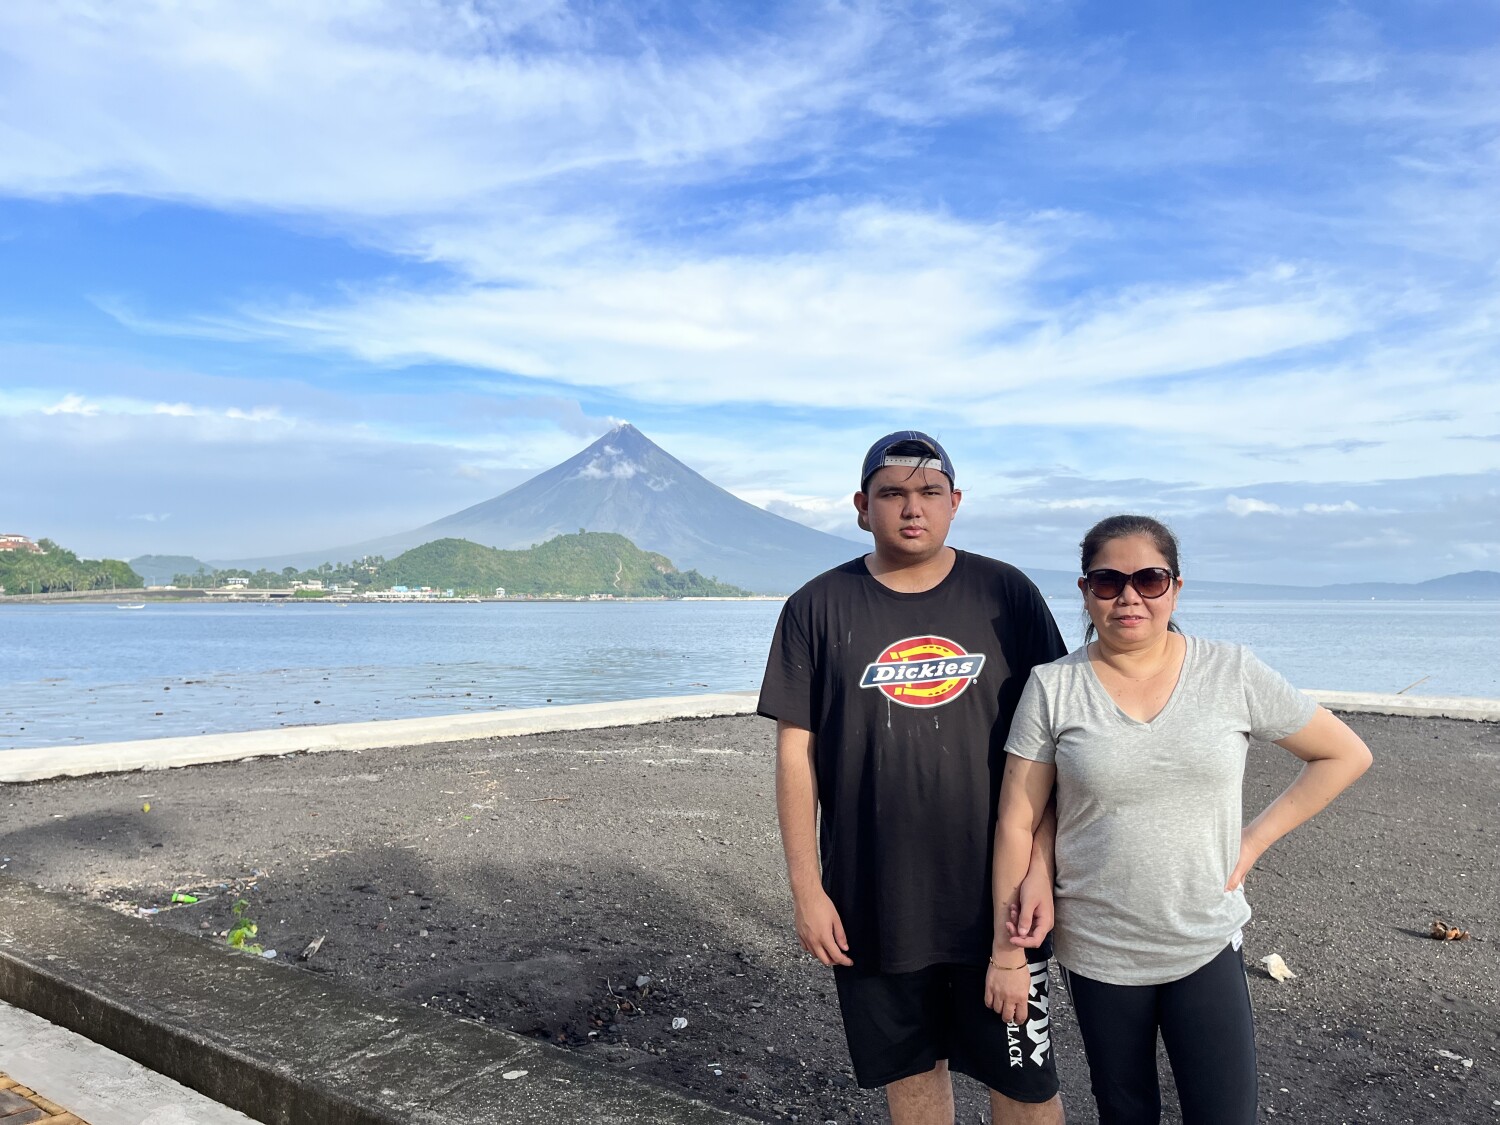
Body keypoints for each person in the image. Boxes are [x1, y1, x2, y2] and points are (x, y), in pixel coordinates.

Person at [987, 514, 1373, 1125]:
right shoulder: (1054, 687)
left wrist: (1253, 840)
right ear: (1085, 591)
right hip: (1099, 948)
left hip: (1204, 938)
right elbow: (1018, 819)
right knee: (1126, 1112)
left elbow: (1344, 754)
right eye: (1108, 581)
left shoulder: (1231, 672)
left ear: (1176, 587)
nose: (1129, 597)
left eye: (1149, 579)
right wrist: (1007, 954)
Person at [758, 430, 1068, 1125]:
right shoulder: (816, 606)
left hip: (999, 897)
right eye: (892, 493)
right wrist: (807, 889)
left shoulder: (1006, 594)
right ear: (861, 506)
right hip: (874, 896)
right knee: (913, 1073)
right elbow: (794, 756)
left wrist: (1041, 869)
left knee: (1024, 1080)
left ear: (955, 503)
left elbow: (1056, 745)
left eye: (929, 492)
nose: (911, 507)